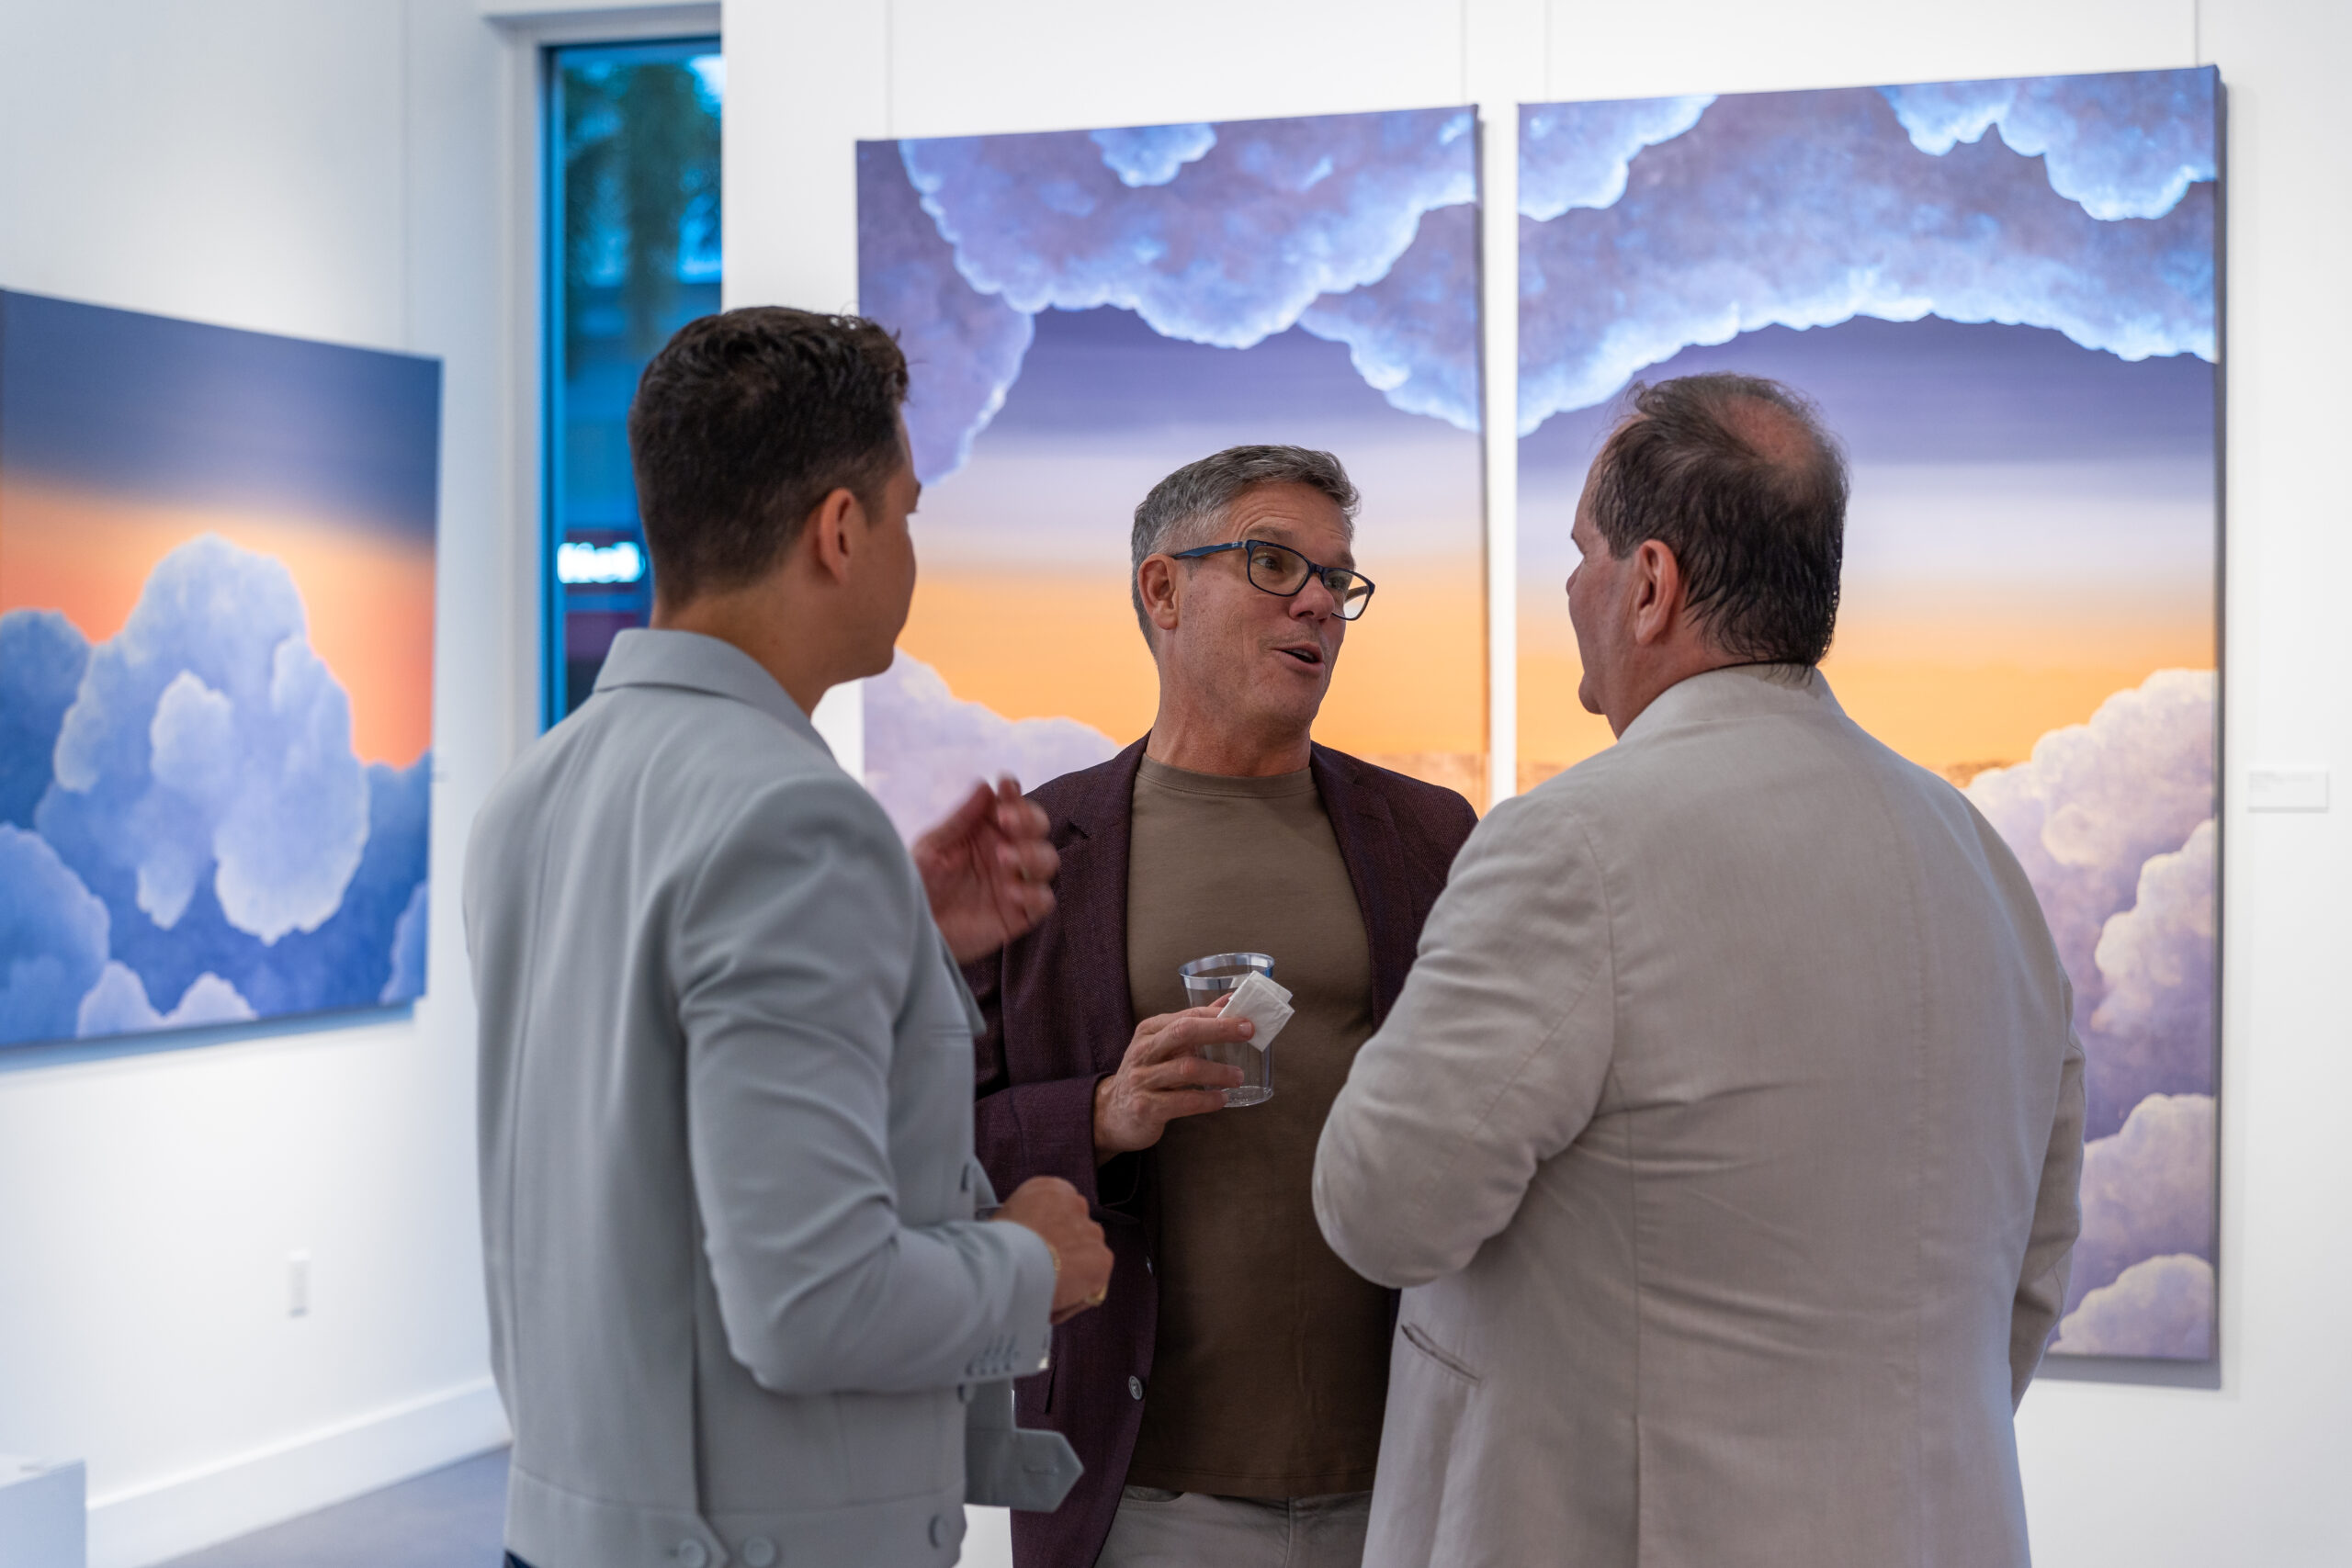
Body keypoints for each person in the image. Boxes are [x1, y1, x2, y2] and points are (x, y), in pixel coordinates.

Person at [1314, 374, 2087, 1568]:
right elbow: (2031, 1273)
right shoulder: (1980, 860)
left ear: (1650, 584)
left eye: (1582, 550)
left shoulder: (1571, 844)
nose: (1568, 586)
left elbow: (1385, 1209)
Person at [464, 307, 1114, 1568]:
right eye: (908, 513)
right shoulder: (792, 819)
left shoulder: (538, 787)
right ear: (840, 529)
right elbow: (813, 1304)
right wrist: (1030, 1263)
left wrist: (899, 930)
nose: (912, 550)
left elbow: (650, 1114)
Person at [964, 446, 1479, 1568]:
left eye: (1336, 580)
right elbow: (931, 1145)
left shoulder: (1429, 837)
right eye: (1273, 563)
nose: (1318, 603)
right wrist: (1098, 1115)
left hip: (1406, 1474)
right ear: (1162, 590)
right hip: (1142, 1487)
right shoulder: (1038, 851)